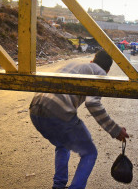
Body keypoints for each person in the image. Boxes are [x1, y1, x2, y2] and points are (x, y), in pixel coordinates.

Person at [29, 50, 129, 189]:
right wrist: (115, 130)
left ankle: (58, 186)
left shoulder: (74, 64)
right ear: (107, 70)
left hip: (35, 110)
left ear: (92, 61)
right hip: (57, 113)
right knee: (90, 153)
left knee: (62, 145)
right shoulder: (100, 73)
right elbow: (93, 103)